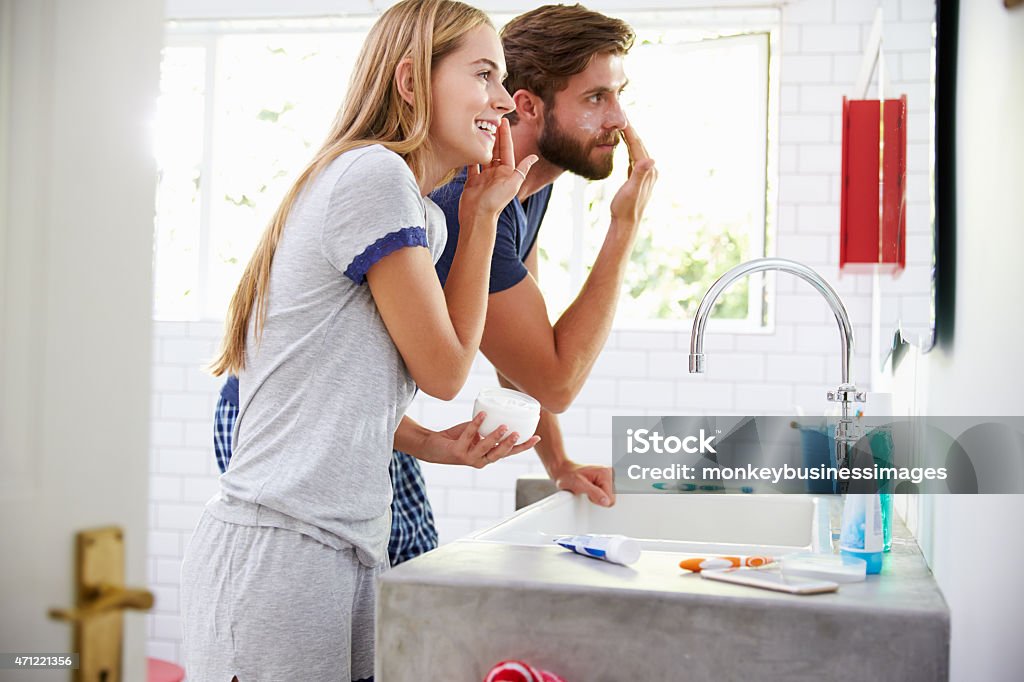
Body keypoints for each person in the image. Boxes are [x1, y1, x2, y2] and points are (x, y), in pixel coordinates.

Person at [213, 3, 657, 568]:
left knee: (404, 583)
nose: (620, 117)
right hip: (291, 420)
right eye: (597, 97)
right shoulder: (446, 200)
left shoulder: (511, 197)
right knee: (399, 584)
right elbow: (551, 380)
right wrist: (624, 228)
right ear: (526, 106)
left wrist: (559, 465)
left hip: (363, 411)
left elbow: (516, 355)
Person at [181, 1, 539, 680]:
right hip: (282, 551)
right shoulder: (374, 178)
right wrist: (485, 215)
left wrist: (430, 444)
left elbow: (333, 377)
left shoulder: (415, 212)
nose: (504, 102)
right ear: (410, 82)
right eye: (485, 75)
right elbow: (446, 372)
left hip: (339, 547)